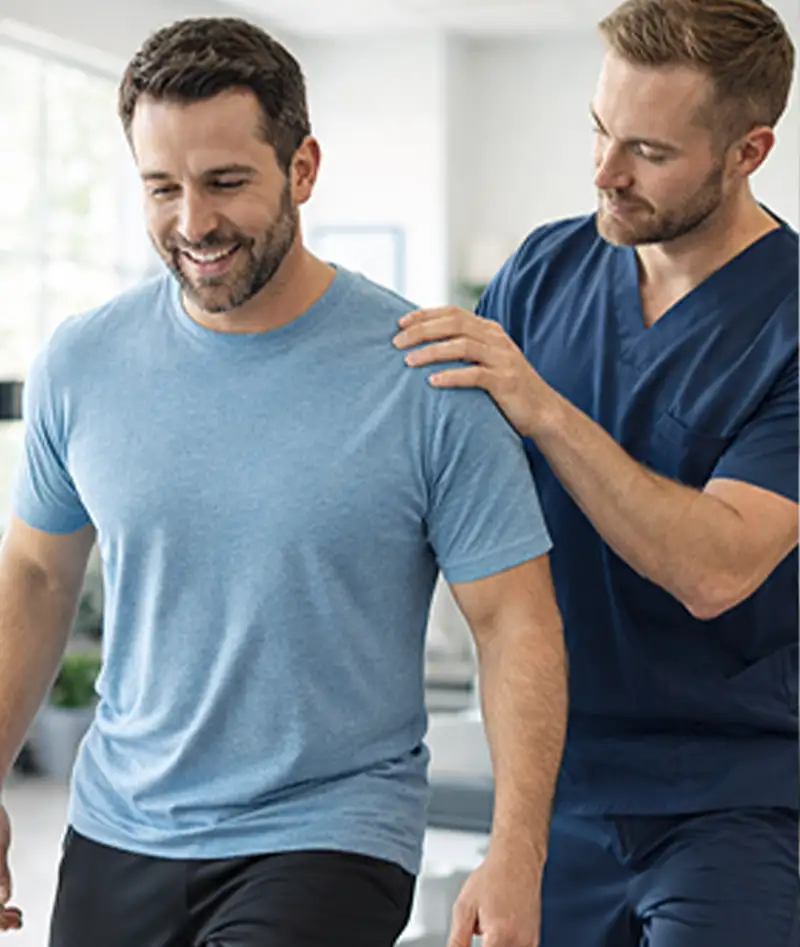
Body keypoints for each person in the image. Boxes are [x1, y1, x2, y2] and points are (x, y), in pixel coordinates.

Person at [0, 17, 568, 947]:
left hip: (330, 831)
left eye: (226, 182)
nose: (193, 223)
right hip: (121, 823)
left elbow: (515, 618)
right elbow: (35, 574)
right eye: (161, 187)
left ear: (302, 169)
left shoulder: (427, 376)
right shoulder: (84, 361)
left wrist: (518, 848)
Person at [394, 0, 799, 945]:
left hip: (732, 796)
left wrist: (542, 405)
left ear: (749, 151)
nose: (606, 174)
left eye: (649, 152)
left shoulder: (785, 320)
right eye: (598, 130)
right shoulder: (543, 271)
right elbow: (436, 486)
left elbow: (717, 566)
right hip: (551, 781)